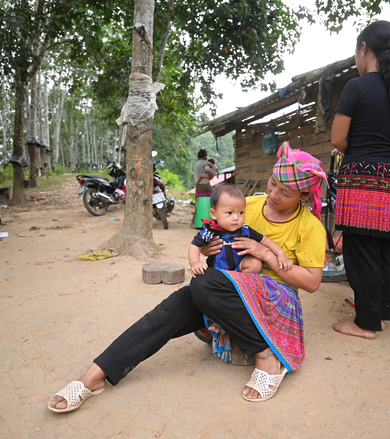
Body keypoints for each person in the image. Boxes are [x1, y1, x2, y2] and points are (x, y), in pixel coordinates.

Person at [47, 141, 327, 412]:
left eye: (285, 191)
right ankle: (95, 374)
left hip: (274, 298)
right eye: (272, 183)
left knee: (203, 285)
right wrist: (205, 249)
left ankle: (265, 356)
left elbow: (312, 282)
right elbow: (211, 236)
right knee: (173, 307)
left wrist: (266, 255)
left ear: (303, 196)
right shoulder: (246, 205)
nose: (274, 194)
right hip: (226, 288)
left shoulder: (310, 227)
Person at [330, 20, 390, 340]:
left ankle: (365, 323)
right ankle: (381, 314)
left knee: (360, 252)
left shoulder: (355, 88)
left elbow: (337, 139)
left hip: (360, 183)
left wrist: (361, 156)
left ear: (363, 49)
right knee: (384, 250)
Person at [188, 183, 292, 277]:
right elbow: (194, 246)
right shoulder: (210, 231)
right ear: (214, 214)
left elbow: (265, 240)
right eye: (229, 213)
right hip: (217, 270)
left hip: (239, 268)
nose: (236, 218)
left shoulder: (244, 230)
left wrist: (280, 253)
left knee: (255, 264)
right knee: (201, 276)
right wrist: (195, 262)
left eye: (241, 212)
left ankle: (238, 282)